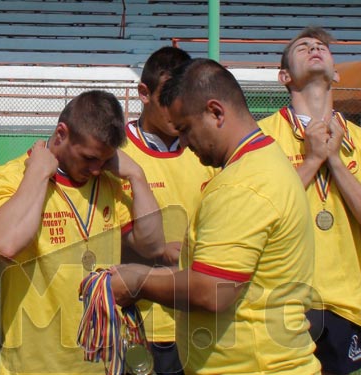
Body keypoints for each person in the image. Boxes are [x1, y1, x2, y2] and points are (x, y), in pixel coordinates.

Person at [110, 58, 321, 375]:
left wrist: (136, 280)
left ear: (216, 112)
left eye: (185, 129)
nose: (183, 142)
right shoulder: (266, 159)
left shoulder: (242, 184)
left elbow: (213, 291)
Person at [0, 89, 164, 375]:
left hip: (103, 365)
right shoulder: (14, 176)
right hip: (34, 367)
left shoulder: (110, 183)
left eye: (104, 160)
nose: (95, 170)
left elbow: (153, 245)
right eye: (89, 158)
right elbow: (5, 243)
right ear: (61, 133)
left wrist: (137, 176)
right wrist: (39, 173)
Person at [258, 26, 361, 375]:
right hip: (280, 301)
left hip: (344, 303)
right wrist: (312, 160)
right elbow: (259, 216)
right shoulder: (263, 137)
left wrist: (336, 161)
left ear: (336, 73)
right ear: (284, 76)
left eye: (321, 47)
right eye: (303, 47)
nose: (314, 48)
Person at [120, 46, 214, 375]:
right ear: (143, 93)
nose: (177, 109)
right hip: (139, 323)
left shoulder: (206, 152)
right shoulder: (117, 153)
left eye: (184, 98)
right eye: (168, 97)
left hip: (200, 319)